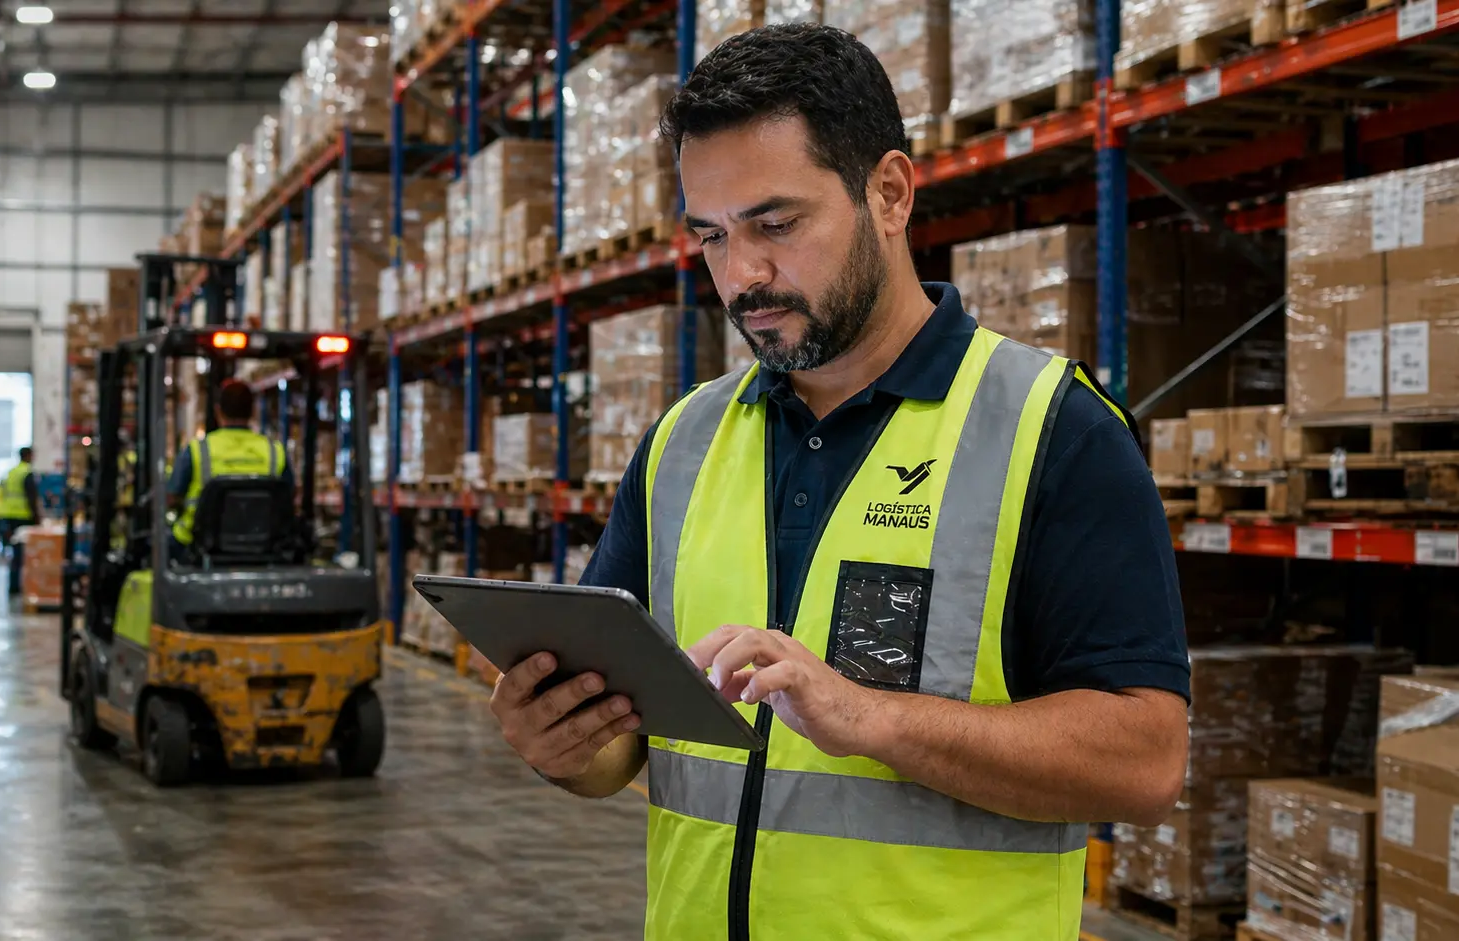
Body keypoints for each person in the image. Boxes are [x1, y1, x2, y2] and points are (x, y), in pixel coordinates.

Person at [485, 24, 1191, 941]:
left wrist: (869, 717)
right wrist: (562, 744)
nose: (743, 276)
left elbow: (1144, 761)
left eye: (777, 224)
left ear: (890, 193)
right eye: (711, 236)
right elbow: (622, 738)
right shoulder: (683, 441)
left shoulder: (1052, 430)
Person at [166, 379, 292, 559]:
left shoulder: (197, 450)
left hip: (199, 548)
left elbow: (172, 497)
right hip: (263, 547)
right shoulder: (275, 451)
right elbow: (290, 497)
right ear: (253, 411)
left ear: (218, 411)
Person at [0, 447, 39, 596]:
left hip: (9, 516)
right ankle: (21, 586)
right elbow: (31, 497)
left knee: (15, 553)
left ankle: (13, 585)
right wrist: (37, 517)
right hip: (23, 517)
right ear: (29, 456)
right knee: (24, 554)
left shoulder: (12, 472)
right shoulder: (27, 473)